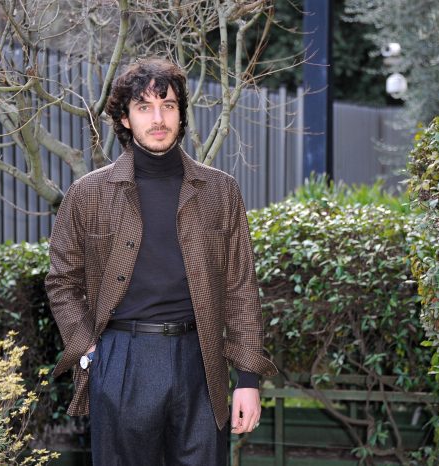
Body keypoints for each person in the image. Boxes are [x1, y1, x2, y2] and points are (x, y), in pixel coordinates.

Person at [45, 57, 277, 465]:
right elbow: (62, 281)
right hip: (122, 359)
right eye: (144, 107)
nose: (158, 118)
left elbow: (240, 288)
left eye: (168, 106)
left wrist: (248, 378)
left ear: (181, 114)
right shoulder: (88, 194)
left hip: (200, 360)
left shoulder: (220, 191)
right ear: (125, 117)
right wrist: (89, 348)